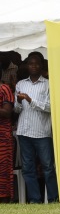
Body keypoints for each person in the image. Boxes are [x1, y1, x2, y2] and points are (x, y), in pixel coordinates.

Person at [15, 51, 58, 203]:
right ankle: (35, 199)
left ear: (42, 66)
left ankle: (53, 199)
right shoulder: (21, 84)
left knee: (47, 167)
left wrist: (29, 99)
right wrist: (20, 102)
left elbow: (50, 107)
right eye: (31, 63)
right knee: (28, 168)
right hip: (24, 131)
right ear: (27, 65)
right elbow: (16, 109)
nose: (33, 66)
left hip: (42, 132)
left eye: (37, 63)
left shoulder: (48, 84)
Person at [0, 68, 13, 202]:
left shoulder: (4, 89)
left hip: (2, 136)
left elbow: (7, 112)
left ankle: (3, 198)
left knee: (2, 167)